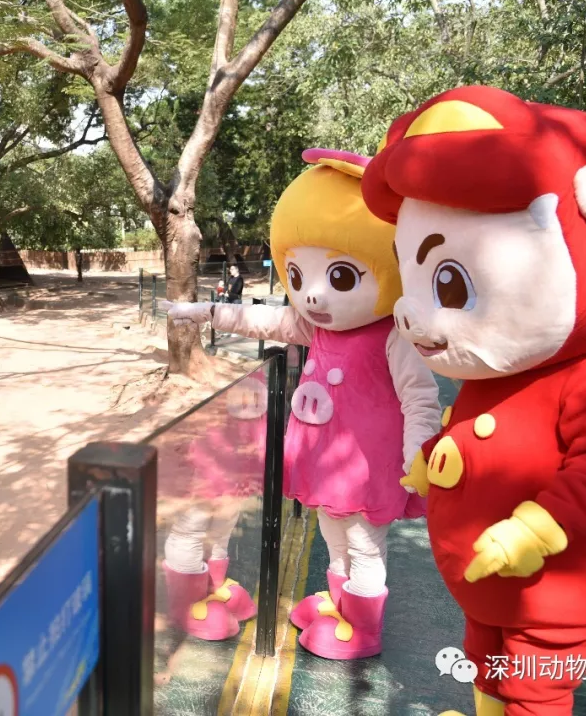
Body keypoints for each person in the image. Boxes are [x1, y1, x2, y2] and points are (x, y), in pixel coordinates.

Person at [362, 85, 586, 716]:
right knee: (487, 656)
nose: (411, 313)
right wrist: (433, 458)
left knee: (534, 683)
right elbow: (477, 432)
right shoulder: (491, 373)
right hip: (490, 583)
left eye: (448, 282)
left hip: (555, 591)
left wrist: (538, 527)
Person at [163, 148, 441, 660]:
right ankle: (341, 605)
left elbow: (420, 397)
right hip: (326, 466)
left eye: (340, 277)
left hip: (369, 469)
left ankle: (364, 630)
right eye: (298, 277)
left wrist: (416, 454)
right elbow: (261, 321)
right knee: (334, 535)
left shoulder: (390, 335)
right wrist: (202, 311)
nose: (312, 296)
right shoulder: (316, 327)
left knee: (364, 545)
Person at [160, 372, 268, 641]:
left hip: (239, 441)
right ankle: (186, 603)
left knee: (225, 518)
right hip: (204, 444)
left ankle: (212, 586)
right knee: (192, 524)